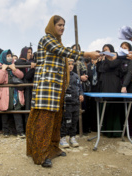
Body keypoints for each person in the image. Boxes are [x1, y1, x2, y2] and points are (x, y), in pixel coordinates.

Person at [26, 15, 100, 168]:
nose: (62, 28)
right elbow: (63, 51)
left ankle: (52, 148)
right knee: (44, 121)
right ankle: (41, 153)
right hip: (46, 88)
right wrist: (86, 54)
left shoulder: (56, 41)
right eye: (59, 25)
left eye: (64, 25)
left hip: (56, 87)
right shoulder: (47, 39)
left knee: (55, 120)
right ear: (52, 26)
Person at [0, 49, 26, 138]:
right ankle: (6, 131)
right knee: (5, 112)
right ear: (3, 57)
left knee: (17, 111)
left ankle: (20, 131)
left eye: (10, 56)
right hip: (4, 92)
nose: (9, 58)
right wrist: (3, 70)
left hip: (15, 93)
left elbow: (21, 75)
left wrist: (14, 69)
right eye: (7, 56)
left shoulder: (14, 65)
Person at [59, 58, 84, 148]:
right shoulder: (62, 76)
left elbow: (80, 87)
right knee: (66, 120)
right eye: (68, 64)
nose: (70, 66)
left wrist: (81, 94)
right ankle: (62, 137)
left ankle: (72, 137)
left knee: (74, 120)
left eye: (72, 64)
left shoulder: (76, 76)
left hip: (76, 102)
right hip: (66, 103)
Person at [15, 46, 36, 125]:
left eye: (31, 52)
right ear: (23, 53)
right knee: (24, 108)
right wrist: (31, 65)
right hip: (21, 88)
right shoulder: (19, 62)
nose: (30, 54)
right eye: (28, 52)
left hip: (29, 88)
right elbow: (25, 75)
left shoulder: (31, 62)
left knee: (29, 107)